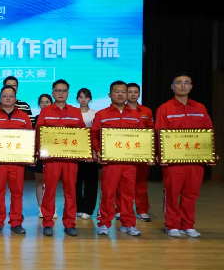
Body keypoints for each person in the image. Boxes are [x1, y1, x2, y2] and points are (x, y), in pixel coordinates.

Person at [155, 73, 213, 238]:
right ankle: (172, 225)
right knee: (172, 194)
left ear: (191, 87)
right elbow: (158, 133)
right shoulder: (164, 108)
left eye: (186, 83)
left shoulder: (200, 108)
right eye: (179, 82)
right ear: (172, 86)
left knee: (191, 194)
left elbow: (208, 132)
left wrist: (211, 153)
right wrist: (160, 154)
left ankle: (188, 225)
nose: (183, 85)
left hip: (195, 160)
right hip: (173, 161)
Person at [91, 81, 145, 236]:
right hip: (111, 162)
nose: (120, 94)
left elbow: (142, 137)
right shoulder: (102, 114)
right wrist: (98, 150)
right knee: (108, 193)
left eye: (123, 92)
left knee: (128, 194)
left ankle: (128, 224)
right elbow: (94, 135)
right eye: (116, 91)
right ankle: (104, 223)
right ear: (110, 95)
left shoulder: (136, 115)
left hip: (130, 162)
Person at [36, 79, 85, 237]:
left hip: (70, 160)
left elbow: (82, 135)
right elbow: (39, 133)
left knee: (70, 191)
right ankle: (47, 222)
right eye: (58, 90)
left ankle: (70, 223)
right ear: (53, 93)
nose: (61, 93)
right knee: (49, 191)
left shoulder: (76, 112)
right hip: (51, 160)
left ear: (68, 93)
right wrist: (39, 151)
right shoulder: (46, 112)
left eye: (64, 90)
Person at [0, 85, 32, 235]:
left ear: (16, 98)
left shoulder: (23, 116)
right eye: (5, 96)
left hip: (17, 162)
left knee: (17, 192)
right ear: (0, 98)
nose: (8, 98)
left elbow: (30, 137)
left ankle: (16, 222)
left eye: (11, 96)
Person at [115, 82, 153, 222]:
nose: (132, 94)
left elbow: (151, 132)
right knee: (121, 183)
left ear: (139, 94)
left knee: (141, 183)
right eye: (129, 92)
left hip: (141, 152)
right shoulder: (120, 111)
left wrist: (151, 153)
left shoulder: (146, 111)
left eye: (135, 92)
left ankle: (142, 210)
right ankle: (120, 209)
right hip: (123, 152)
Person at [75, 88, 99, 220]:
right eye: (80, 97)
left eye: (86, 97)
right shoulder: (73, 113)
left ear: (90, 99)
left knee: (91, 181)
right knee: (76, 182)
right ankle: (78, 207)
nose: (83, 99)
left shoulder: (95, 114)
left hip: (91, 153)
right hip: (76, 152)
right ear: (77, 99)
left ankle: (89, 209)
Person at [31, 94, 55, 218]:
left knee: (52, 182)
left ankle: (51, 208)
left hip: (54, 154)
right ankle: (41, 207)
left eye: (47, 102)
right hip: (39, 154)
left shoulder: (56, 118)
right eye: (42, 102)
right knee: (40, 181)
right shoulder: (35, 119)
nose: (44, 104)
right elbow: (32, 137)